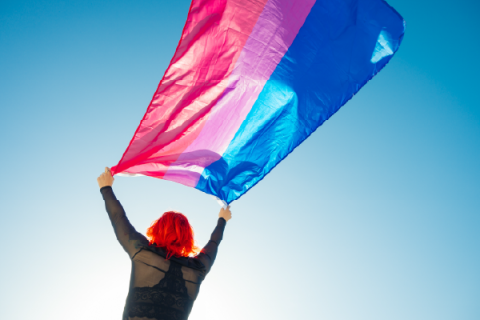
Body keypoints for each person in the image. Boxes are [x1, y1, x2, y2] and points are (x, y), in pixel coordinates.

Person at [97, 167, 232, 320]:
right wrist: (223, 219)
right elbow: (214, 242)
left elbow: (118, 218)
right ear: (187, 237)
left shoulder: (142, 251)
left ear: (157, 229)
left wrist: (106, 188)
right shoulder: (198, 268)